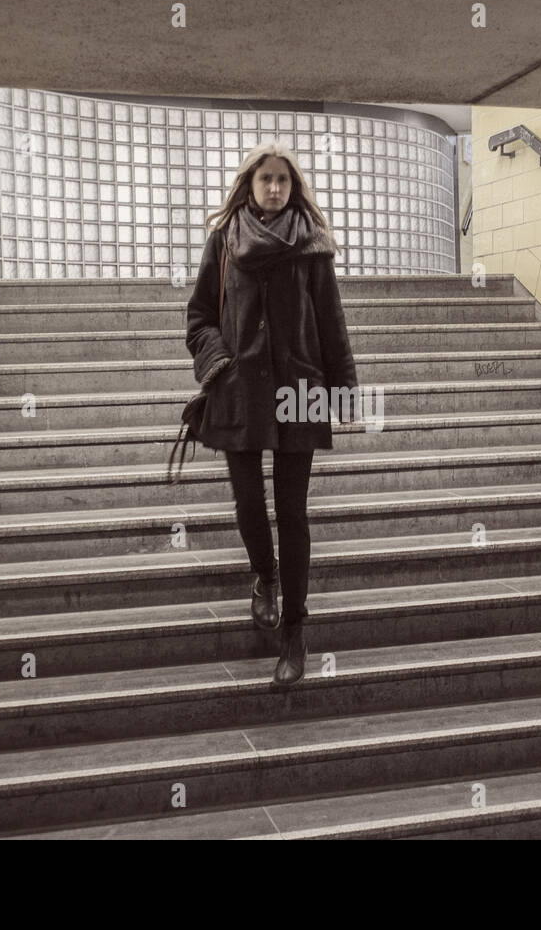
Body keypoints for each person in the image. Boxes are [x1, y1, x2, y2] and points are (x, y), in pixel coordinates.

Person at [184, 141, 358, 687]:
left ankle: (295, 633)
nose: (276, 188)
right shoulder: (225, 240)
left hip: (298, 391)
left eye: (284, 179)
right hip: (240, 391)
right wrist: (220, 359)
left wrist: (344, 388)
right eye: (266, 179)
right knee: (247, 503)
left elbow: (331, 321)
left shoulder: (312, 245)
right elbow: (197, 317)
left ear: (294, 185)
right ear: (250, 184)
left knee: (294, 514)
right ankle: (265, 576)